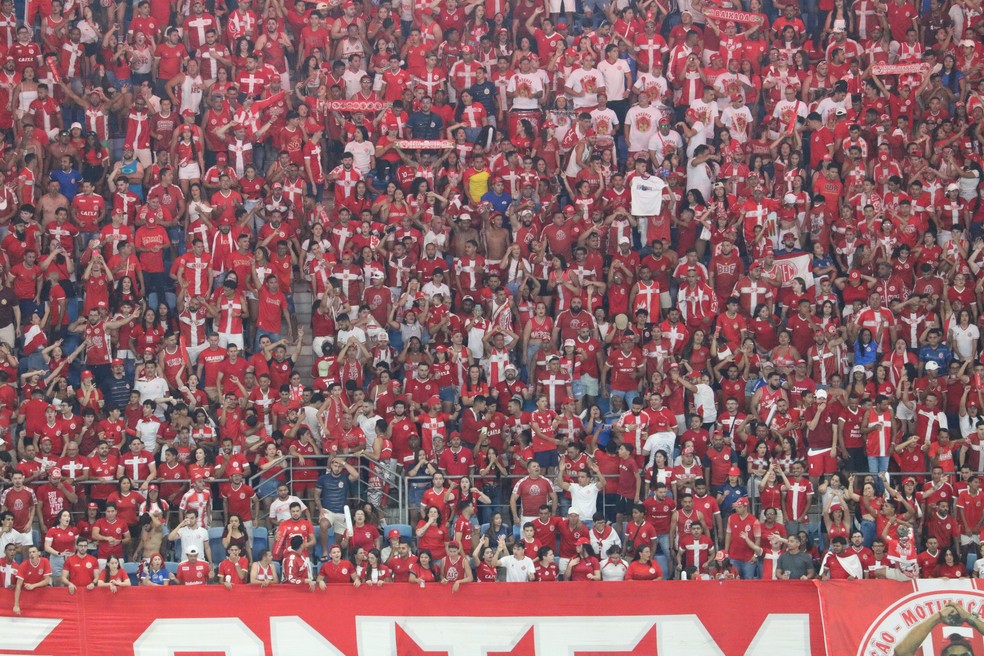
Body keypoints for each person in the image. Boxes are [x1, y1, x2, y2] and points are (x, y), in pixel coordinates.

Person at [12, 546, 51, 614]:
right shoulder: (23, 565)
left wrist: (33, 585)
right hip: (27, 592)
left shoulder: (45, 561)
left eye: (33, 552)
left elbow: (47, 580)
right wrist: (16, 605)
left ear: (39, 553)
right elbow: (18, 585)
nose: (31, 554)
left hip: (40, 591)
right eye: (30, 552)